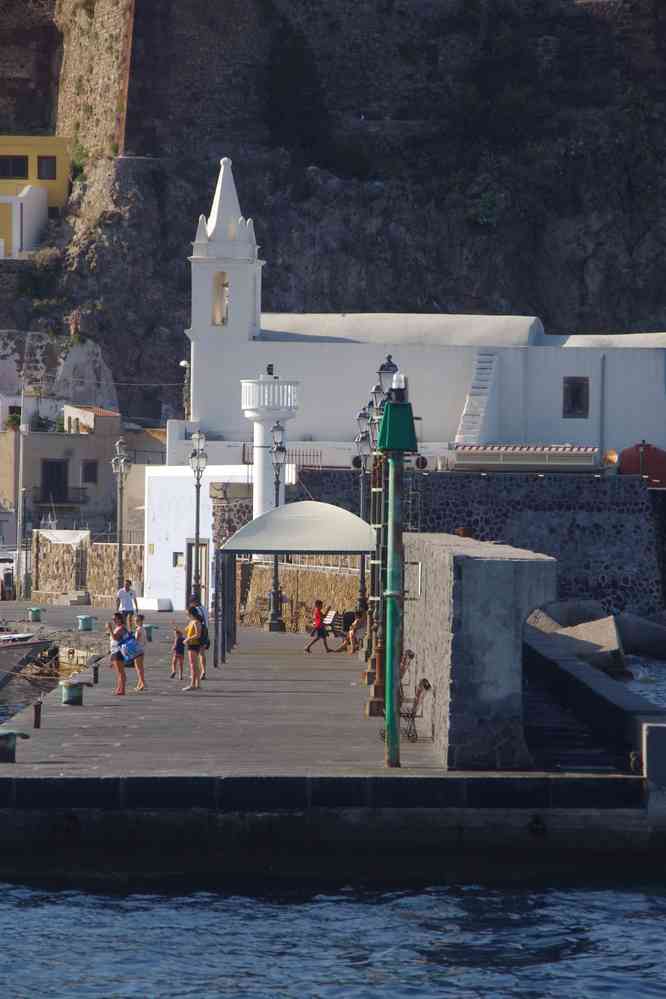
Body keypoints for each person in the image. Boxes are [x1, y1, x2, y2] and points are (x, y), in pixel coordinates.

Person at [188, 593, 210, 679]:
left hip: (198, 631)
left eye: (191, 602)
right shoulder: (204, 608)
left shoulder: (195, 610)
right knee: (202, 653)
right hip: (206, 631)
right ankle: (203, 671)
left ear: (194, 602)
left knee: (194, 655)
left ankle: (194, 673)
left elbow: (195, 621)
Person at [107, 611, 128, 696]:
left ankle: (122, 689)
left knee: (121, 672)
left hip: (118, 652)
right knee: (119, 673)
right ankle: (119, 689)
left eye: (115, 619)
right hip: (115, 651)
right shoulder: (118, 627)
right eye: (113, 619)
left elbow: (115, 638)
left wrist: (110, 629)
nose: (113, 621)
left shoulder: (122, 628)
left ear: (119, 619)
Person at [183, 606, 202, 690]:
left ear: (191, 613)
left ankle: (193, 684)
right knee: (195, 665)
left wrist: (188, 639)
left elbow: (198, 634)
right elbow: (187, 631)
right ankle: (197, 684)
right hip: (191, 644)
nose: (186, 614)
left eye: (187, 613)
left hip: (194, 645)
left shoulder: (196, 622)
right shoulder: (191, 622)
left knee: (193, 665)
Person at [132, 614, 147, 691]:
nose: (135, 622)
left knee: (138, 668)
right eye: (135, 620)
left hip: (137, 650)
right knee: (141, 667)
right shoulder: (143, 629)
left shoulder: (138, 630)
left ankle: (143, 683)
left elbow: (136, 641)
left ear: (141, 621)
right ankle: (140, 683)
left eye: (137, 620)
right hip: (142, 649)